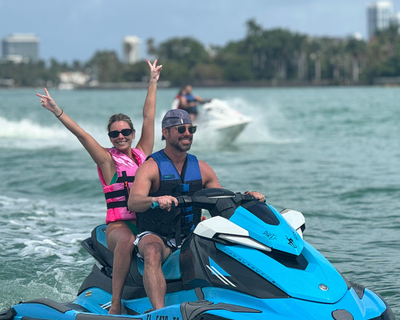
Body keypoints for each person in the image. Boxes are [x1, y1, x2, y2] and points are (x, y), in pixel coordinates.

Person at [36, 60, 162, 315]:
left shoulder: (141, 155)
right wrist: (56, 110)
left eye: (125, 131)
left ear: (133, 132)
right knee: (126, 241)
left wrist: (152, 82)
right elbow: (82, 135)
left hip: (146, 221)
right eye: (115, 134)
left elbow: (149, 117)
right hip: (118, 226)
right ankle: (115, 303)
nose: (121, 136)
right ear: (110, 138)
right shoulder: (107, 161)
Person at [127, 109, 265, 310]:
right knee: (152, 251)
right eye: (181, 129)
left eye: (191, 129)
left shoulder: (201, 168)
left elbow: (222, 200)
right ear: (165, 133)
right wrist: (156, 199)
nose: (187, 133)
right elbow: (134, 202)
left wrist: (247, 196)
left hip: (191, 236)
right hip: (158, 235)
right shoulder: (151, 166)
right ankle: (159, 311)